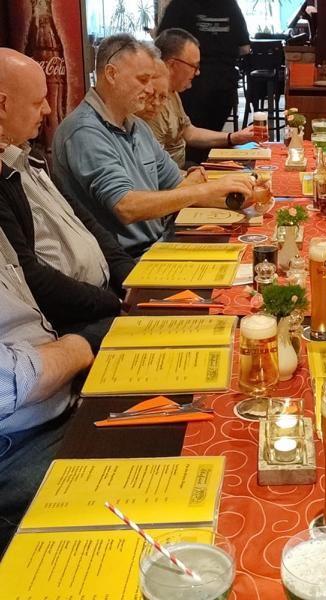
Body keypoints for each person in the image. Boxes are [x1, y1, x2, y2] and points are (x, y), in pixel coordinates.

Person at [52, 34, 254, 258]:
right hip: (127, 259)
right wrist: (203, 190)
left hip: (160, 240)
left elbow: (181, 186)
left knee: (247, 249)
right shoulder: (85, 131)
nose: (150, 90)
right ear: (111, 74)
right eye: (143, 79)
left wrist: (246, 193)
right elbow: (126, 207)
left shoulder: (135, 125)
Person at [0, 120, 96, 558]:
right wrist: (79, 346)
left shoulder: (13, 176)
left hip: (59, 396)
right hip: (18, 447)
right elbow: (9, 383)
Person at [0, 48, 134, 335]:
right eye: (38, 102)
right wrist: (114, 303)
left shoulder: (32, 158)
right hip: (71, 322)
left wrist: (134, 279)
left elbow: (89, 225)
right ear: (2, 105)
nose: (48, 110)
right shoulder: (4, 179)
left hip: (105, 298)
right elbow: (32, 277)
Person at [147, 28, 257, 169]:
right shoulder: (153, 104)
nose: (198, 72)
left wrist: (234, 137)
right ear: (172, 64)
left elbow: (189, 132)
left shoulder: (172, 92)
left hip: (181, 169)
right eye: (194, 66)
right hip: (173, 177)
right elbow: (155, 171)